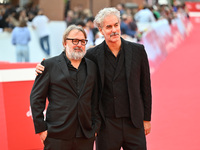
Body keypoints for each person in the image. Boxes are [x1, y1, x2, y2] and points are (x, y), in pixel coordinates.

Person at [36, 7, 152, 150]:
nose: (114, 30)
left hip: (134, 123)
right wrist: (44, 66)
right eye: (108, 27)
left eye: (116, 25)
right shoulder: (92, 55)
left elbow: (145, 87)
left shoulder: (138, 51)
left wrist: (146, 118)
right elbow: (70, 56)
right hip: (106, 126)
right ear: (101, 29)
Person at [30, 25, 101, 150]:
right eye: (74, 40)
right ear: (64, 43)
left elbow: (95, 100)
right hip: (56, 135)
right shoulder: (49, 65)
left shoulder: (92, 67)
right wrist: (41, 129)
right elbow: (36, 99)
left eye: (83, 41)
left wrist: (95, 127)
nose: (79, 44)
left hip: (85, 135)